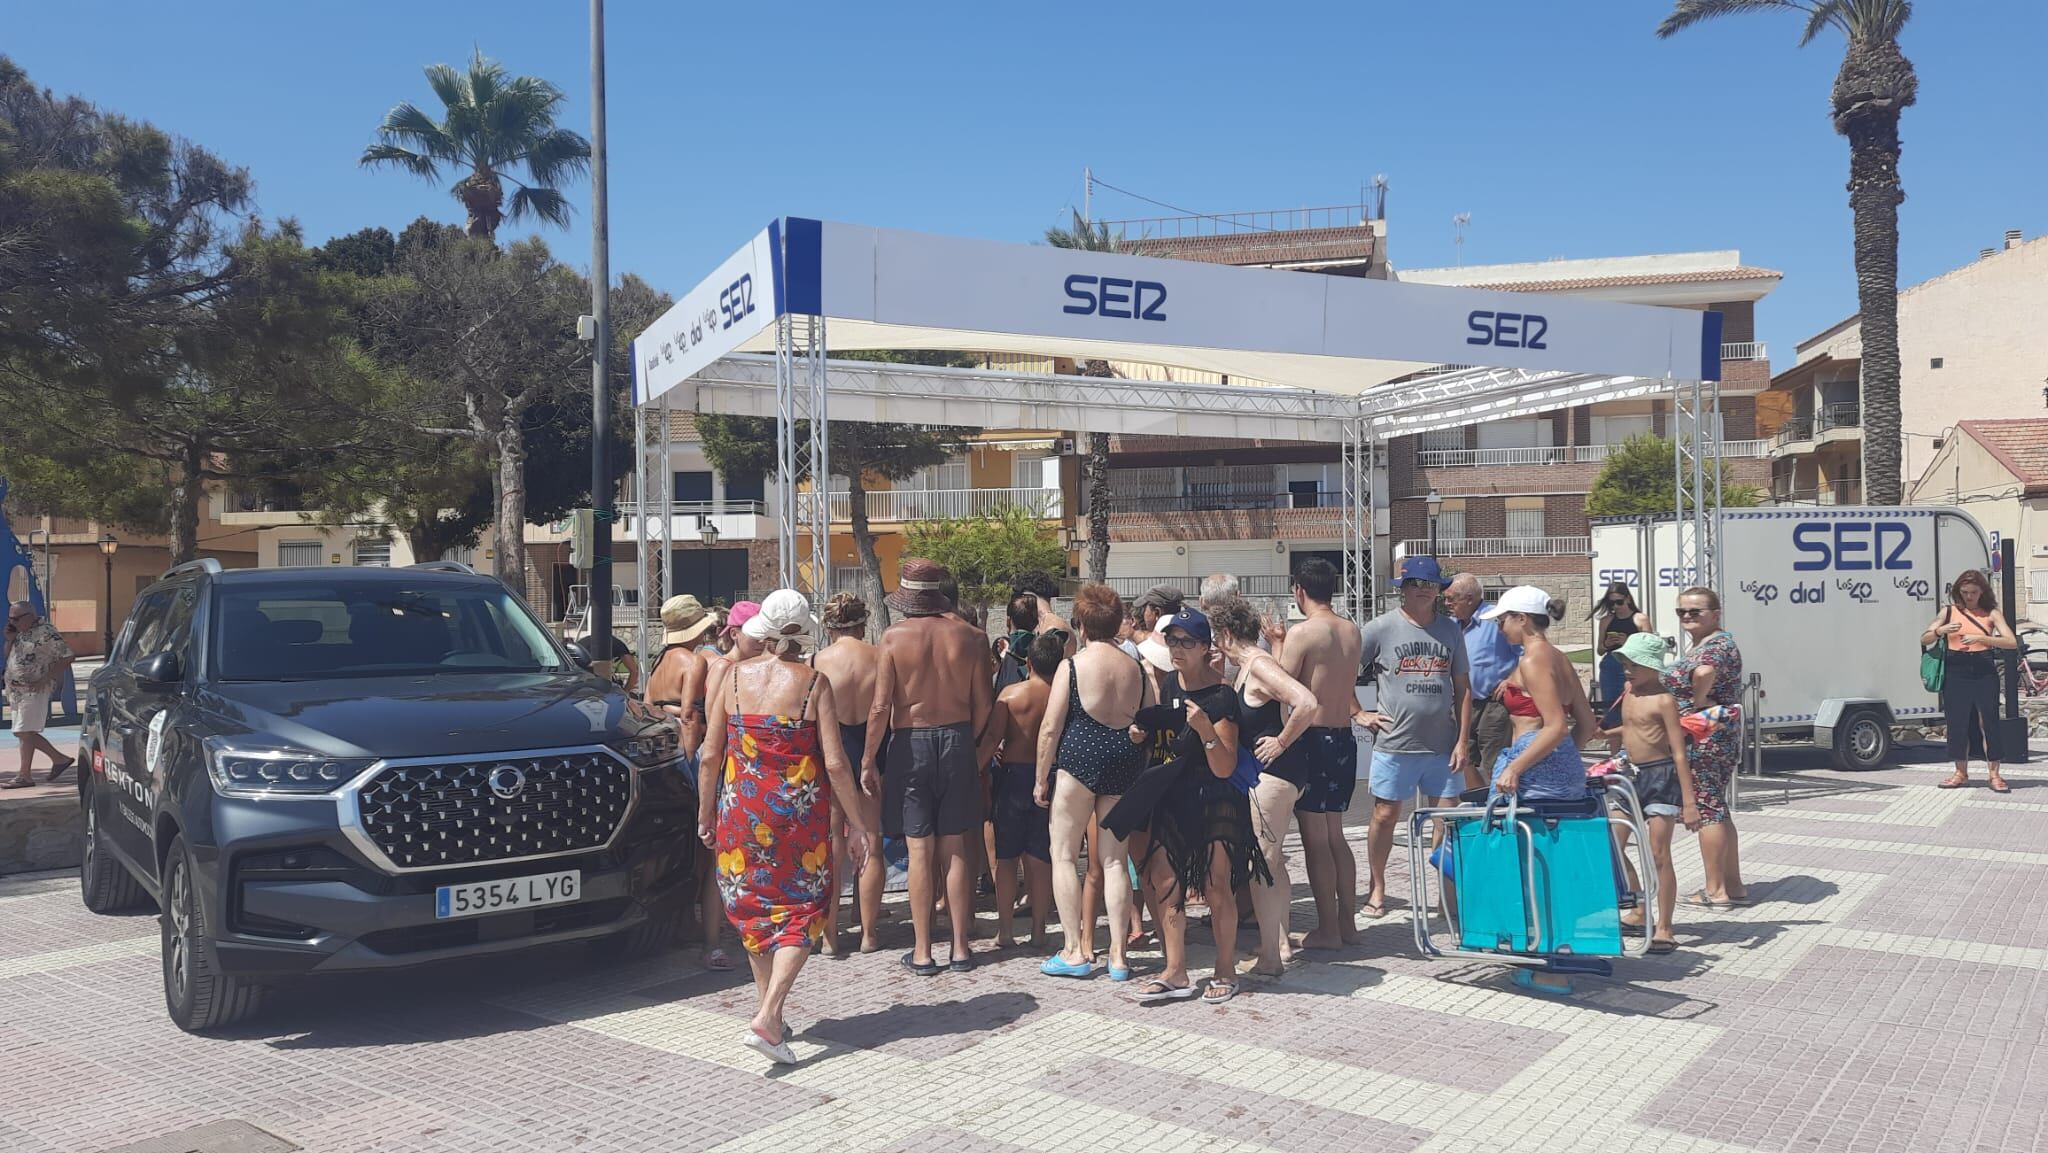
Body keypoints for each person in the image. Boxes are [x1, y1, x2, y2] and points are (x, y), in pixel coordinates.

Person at [697, 590, 875, 1065]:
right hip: (798, 818)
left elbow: (711, 755)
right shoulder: (814, 683)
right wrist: (858, 824)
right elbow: (836, 763)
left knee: (755, 908)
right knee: (804, 908)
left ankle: (766, 1013)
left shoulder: (732, 676)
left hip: (740, 810)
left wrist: (705, 814)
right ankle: (770, 1015)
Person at [1105, 607, 1269, 1003]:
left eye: (1186, 642)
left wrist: (1206, 730)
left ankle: (1226, 971)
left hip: (1216, 800)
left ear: (1204, 648)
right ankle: (1175, 970)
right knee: (1165, 884)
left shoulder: (1222, 696)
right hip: (1175, 795)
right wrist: (1143, 733)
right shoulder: (1171, 687)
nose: (1177, 648)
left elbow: (1225, 764)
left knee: (1217, 888)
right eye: (1172, 640)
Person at [867, 559, 993, 974]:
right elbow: (983, 706)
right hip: (957, 737)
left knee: (920, 851)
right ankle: (960, 947)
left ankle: (922, 951)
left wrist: (869, 759)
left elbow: (882, 706)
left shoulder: (892, 637)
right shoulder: (971, 638)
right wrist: (964, 742)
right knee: (956, 847)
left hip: (910, 741)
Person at [1036, 583, 1151, 980]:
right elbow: (1148, 719)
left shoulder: (1072, 666)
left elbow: (1050, 728)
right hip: (1124, 757)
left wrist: (1040, 778)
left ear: (1082, 625)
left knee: (1064, 854)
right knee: (1115, 860)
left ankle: (1073, 951)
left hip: (1080, 756)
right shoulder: (1135, 666)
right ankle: (1118, 956)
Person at [1209, 596, 1320, 977]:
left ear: (1225, 634)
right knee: (1272, 864)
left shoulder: (1257, 666)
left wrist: (1282, 741)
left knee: (1262, 866)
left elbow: (1306, 702)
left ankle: (1271, 958)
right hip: (1272, 775)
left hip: (1274, 774)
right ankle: (1281, 944)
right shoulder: (1250, 664)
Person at [1356, 557, 1471, 920]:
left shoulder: (1451, 630)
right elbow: (1343, 671)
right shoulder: (1379, 628)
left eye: (1431, 583)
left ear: (1440, 589)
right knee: (1386, 815)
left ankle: (1445, 896)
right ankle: (1377, 887)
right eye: (1416, 583)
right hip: (1396, 743)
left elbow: (1463, 688)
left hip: (1443, 746)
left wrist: (1463, 739)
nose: (1424, 589)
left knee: (1446, 821)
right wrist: (1357, 712)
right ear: (1402, 588)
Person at [1276, 560, 1367, 950]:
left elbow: (1282, 685)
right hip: (1343, 737)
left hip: (1312, 739)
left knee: (1316, 839)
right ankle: (1347, 924)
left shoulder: (1303, 633)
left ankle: (1328, 929)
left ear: (1299, 590)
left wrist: (1277, 641)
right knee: (1336, 834)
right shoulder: (1351, 631)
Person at [1603, 632, 1698, 954]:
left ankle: (1665, 926)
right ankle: (1640, 906)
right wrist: (1606, 732)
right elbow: (1633, 729)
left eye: (1635, 665)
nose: (1628, 670)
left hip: (1661, 776)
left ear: (1654, 667)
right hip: (1630, 776)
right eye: (1625, 663)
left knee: (1659, 854)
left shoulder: (1665, 700)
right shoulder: (1629, 692)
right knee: (1612, 842)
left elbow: (1679, 751)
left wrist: (1689, 802)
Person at [644, 595, 720, 965]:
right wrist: (689, 764)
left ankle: (679, 919)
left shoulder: (659, 663)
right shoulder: (693, 662)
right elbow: (690, 716)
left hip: (659, 750)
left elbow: (646, 706)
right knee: (701, 843)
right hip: (685, 753)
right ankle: (692, 921)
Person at [976, 632, 1061, 947]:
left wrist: (973, 770)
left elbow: (991, 740)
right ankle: (1039, 930)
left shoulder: (1010, 696)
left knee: (1007, 858)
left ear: (1028, 663)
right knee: (1040, 858)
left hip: (1012, 777)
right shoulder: (1061, 698)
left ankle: (1007, 931)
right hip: (1048, 777)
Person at [1667, 588, 1749, 908]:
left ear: (1715, 613)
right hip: (1717, 731)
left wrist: (1695, 704)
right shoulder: (1712, 643)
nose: (1687, 616)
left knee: (1707, 808)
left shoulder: (1716, 645)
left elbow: (1705, 672)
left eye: (1695, 611)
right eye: (1682, 612)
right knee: (1718, 808)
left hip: (1707, 734)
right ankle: (1733, 884)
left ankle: (1715, 890)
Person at [813, 592, 885, 953]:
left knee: (832, 841)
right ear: (864, 623)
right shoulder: (878, 657)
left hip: (833, 748)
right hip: (872, 748)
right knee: (871, 835)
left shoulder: (819, 661)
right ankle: (869, 934)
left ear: (829, 627)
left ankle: (830, 937)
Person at [1481, 585, 1598, 802]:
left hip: (1533, 768)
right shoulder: (1560, 658)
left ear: (1522, 619)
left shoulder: (1533, 660)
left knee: (1507, 832)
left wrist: (1515, 768)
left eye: (1502, 621)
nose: (1500, 629)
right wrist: (1563, 756)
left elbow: (1556, 726)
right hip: (1563, 769)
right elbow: (1588, 723)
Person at [1925, 570, 2017, 794]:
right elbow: (1924, 638)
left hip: (1983, 667)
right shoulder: (1948, 612)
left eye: (1973, 593)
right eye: (1964, 592)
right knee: (1957, 722)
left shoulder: (1991, 613)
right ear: (1958, 591)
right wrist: (1939, 630)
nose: (1969, 597)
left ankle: (1994, 774)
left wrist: (1982, 638)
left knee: (1989, 721)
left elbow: (2011, 641)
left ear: (1982, 592)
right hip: (1956, 668)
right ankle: (1960, 772)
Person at [1444, 575, 1521, 784]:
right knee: (1462, 758)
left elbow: (1525, 652)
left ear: (1469, 598)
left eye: (1451, 599)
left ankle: (1501, 806)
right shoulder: (1451, 626)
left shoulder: (1496, 620)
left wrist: (1512, 679)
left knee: (1494, 761)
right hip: (1462, 703)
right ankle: (1481, 804)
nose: (1446, 604)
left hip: (1493, 703)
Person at [4, 601, 75, 789]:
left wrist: (46, 678)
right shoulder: (20, 632)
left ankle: (59, 758)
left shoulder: (46, 632)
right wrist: (10, 639)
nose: (13, 622)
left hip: (34, 690)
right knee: (25, 734)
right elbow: (9, 656)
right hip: (16, 691)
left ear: (30, 615)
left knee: (22, 731)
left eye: (16, 619)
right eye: (10, 619)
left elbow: (67, 656)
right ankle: (24, 775)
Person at [1593, 582, 1653, 714]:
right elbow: (1599, 650)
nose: (1615, 606)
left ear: (1628, 599)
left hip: (1633, 664)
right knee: (1610, 705)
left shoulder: (1640, 619)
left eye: (1619, 602)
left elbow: (1650, 648)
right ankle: (1612, 728)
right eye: (1611, 603)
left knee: (1633, 703)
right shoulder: (1606, 620)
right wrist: (1607, 644)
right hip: (1610, 664)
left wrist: (1628, 642)